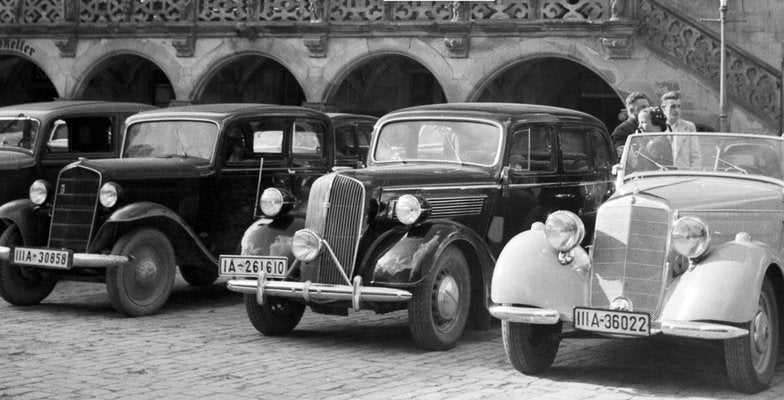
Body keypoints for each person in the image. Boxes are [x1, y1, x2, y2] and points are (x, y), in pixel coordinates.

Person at [660, 91, 702, 168]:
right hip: (663, 175)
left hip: (684, 174)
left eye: (678, 106)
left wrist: (691, 174)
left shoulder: (689, 127)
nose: (676, 110)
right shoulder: (658, 127)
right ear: (663, 108)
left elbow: (696, 157)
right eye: (673, 107)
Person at [612, 91, 651, 156]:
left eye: (648, 107)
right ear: (631, 111)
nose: (647, 110)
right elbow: (624, 157)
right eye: (643, 107)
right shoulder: (621, 131)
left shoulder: (651, 125)